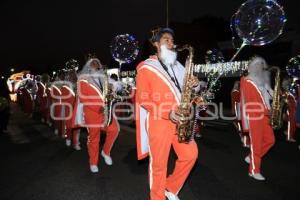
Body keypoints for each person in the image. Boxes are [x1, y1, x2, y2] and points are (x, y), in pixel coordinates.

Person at [135, 27, 199, 200]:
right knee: (159, 165)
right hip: (159, 121)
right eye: (166, 40)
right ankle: (157, 197)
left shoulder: (178, 65)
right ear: (156, 44)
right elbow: (143, 98)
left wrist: (195, 84)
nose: (172, 43)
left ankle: (170, 188)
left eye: (172, 40)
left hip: (181, 119)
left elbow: (188, 90)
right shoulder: (146, 67)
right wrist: (167, 112)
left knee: (190, 155)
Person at [77, 58, 122, 173]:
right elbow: (83, 98)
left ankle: (105, 151)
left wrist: (114, 87)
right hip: (92, 114)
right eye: (93, 62)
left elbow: (117, 85)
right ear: (88, 65)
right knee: (94, 138)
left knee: (115, 129)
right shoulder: (83, 79)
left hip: (106, 111)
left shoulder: (104, 77)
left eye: (97, 62)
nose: (95, 63)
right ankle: (93, 162)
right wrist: (97, 108)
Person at [240, 56, 275, 181]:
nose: (261, 67)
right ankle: (254, 170)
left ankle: (251, 157)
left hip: (266, 115)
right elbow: (249, 101)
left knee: (270, 140)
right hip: (254, 116)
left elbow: (268, 97)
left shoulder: (263, 82)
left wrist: (273, 94)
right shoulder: (247, 81)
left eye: (262, 65)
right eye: (258, 65)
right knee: (256, 144)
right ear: (253, 67)